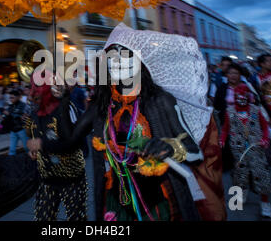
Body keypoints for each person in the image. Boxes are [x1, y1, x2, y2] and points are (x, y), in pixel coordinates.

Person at [42, 24, 226, 221]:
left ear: (139, 61)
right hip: (116, 201)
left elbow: (195, 153)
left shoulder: (160, 100)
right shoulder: (101, 105)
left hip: (158, 200)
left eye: (126, 54)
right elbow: (69, 140)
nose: (119, 61)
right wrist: (62, 100)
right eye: (113, 56)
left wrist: (170, 147)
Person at [25, 71, 87, 221]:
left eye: (39, 84)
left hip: (71, 178)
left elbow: (74, 143)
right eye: (33, 85)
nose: (34, 90)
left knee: (76, 218)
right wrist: (34, 149)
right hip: (46, 179)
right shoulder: (34, 112)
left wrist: (42, 144)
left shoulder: (67, 107)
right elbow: (37, 135)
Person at [220, 83, 271, 218]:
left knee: (261, 174)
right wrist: (222, 139)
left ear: (248, 96)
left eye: (244, 95)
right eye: (239, 96)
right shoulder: (230, 111)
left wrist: (265, 139)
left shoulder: (255, 110)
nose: (242, 98)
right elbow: (225, 128)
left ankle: (265, 203)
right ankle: (241, 194)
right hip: (238, 150)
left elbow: (265, 127)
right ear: (235, 96)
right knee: (239, 173)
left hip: (256, 148)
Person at [6, 90, 28, 156]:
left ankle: (32, 161)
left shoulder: (23, 105)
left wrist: (10, 114)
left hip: (22, 129)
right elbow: (8, 116)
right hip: (13, 130)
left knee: (27, 147)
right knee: (12, 149)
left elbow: (22, 116)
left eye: (12, 97)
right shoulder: (10, 106)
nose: (11, 99)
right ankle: (11, 162)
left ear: (18, 97)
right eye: (10, 97)